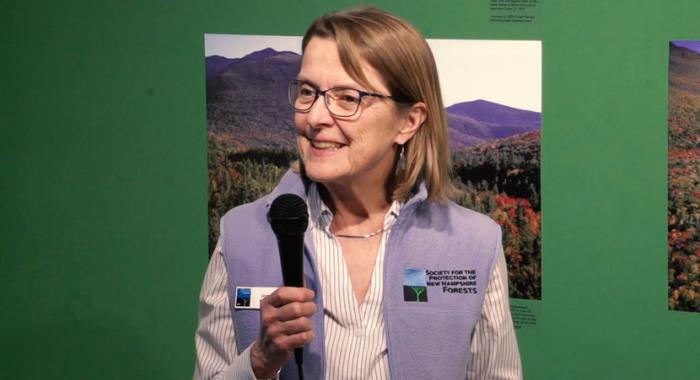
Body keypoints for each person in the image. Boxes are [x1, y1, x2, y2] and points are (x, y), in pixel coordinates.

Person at [194, 6, 522, 380]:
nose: (315, 117)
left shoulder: (474, 242)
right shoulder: (241, 234)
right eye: (307, 92)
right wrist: (257, 363)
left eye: (347, 98)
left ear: (409, 121)